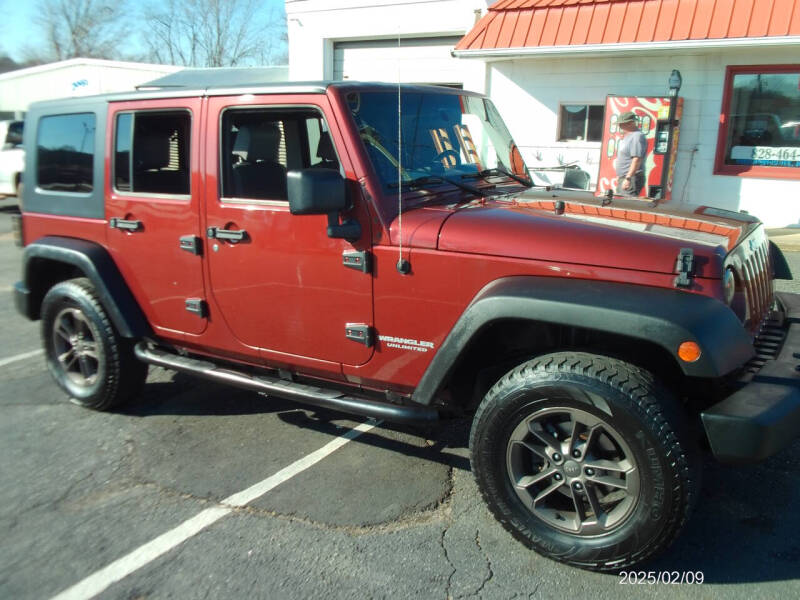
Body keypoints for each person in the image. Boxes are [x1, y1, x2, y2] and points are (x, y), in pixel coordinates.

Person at [616, 111, 646, 197]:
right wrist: (620, 176)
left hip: (631, 177)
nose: (620, 126)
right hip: (624, 177)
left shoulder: (637, 136)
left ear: (631, 123)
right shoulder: (628, 136)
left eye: (622, 124)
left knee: (625, 205)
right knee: (619, 203)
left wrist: (628, 178)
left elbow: (637, 159)